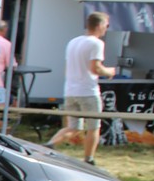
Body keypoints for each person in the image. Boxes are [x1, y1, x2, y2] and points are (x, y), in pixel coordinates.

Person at [47, 11, 116, 164]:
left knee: (73, 127)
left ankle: (49, 144)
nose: (106, 28)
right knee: (93, 127)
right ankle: (89, 159)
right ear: (99, 25)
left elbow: (68, 67)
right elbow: (95, 68)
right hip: (88, 91)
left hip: (70, 90)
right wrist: (109, 72)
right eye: (106, 25)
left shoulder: (73, 42)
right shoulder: (96, 43)